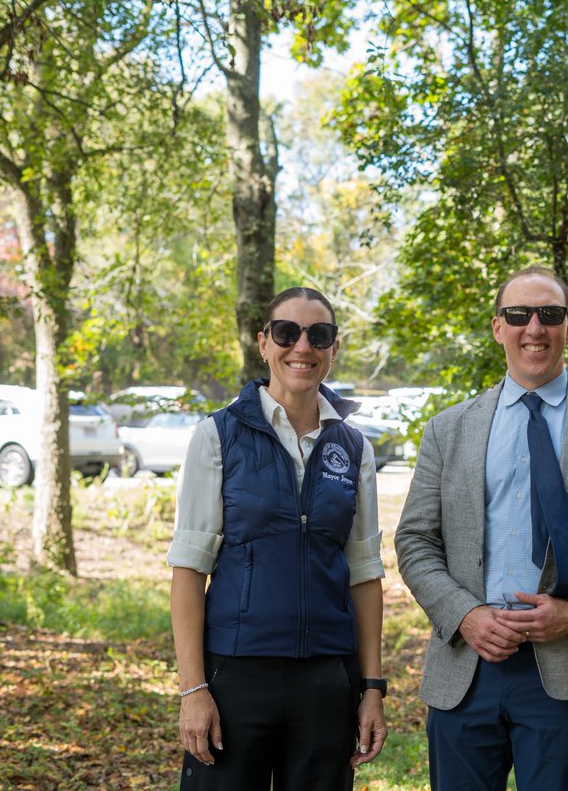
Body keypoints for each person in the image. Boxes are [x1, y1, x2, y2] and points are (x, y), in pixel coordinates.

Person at [394, 265, 568, 791]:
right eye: (519, 315)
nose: (534, 328)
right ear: (498, 327)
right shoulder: (448, 430)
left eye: (550, 314)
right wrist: (466, 614)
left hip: (566, 667)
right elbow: (415, 540)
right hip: (465, 666)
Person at [167, 287, 387, 790]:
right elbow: (188, 567)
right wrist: (193, 689)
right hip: (236, 677)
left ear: (334, 347)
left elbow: (365, 573)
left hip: (327, 681)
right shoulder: (218, 436)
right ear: (264, 344)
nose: (302, 347)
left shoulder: (353, 448)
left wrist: (372, 688)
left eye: (319, 335)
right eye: (287, 333)